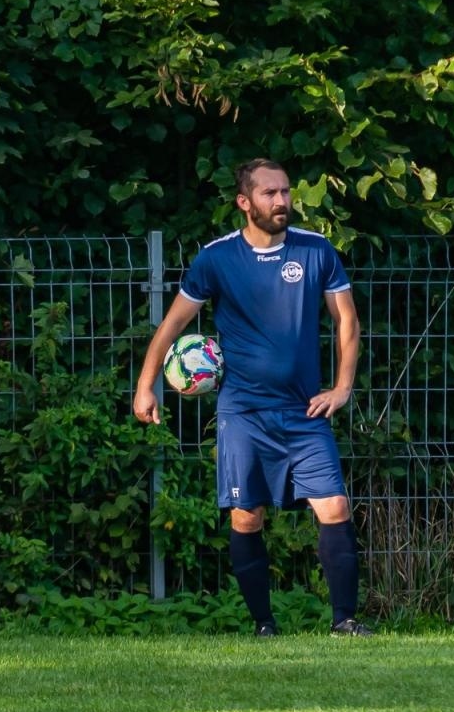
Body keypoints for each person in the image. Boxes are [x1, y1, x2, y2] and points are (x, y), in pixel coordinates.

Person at [134, 159, 370, 638]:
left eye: (285, 192)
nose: (281, 201)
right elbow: (173, 325)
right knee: (248, 514)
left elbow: (346, 320)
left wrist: (342, 388)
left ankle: (344, 621)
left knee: (335, 507)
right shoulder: (217, 259)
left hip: (305, 410)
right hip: (243, 413)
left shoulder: (316, 250)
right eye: (269, 194)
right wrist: (146, 384)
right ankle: (264, 625)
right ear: (244, 202)